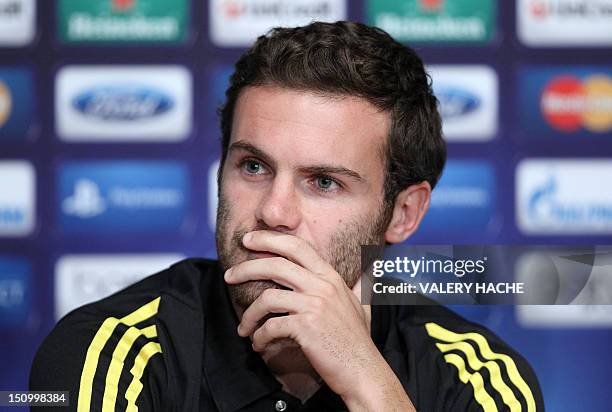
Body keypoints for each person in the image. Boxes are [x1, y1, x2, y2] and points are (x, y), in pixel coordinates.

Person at [30, 21, 544, 411]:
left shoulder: (476, 378)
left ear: (403, 213)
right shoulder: (110, 353)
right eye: (252, 166)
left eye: (324, 182)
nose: (273, 213)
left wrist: (368, 382)